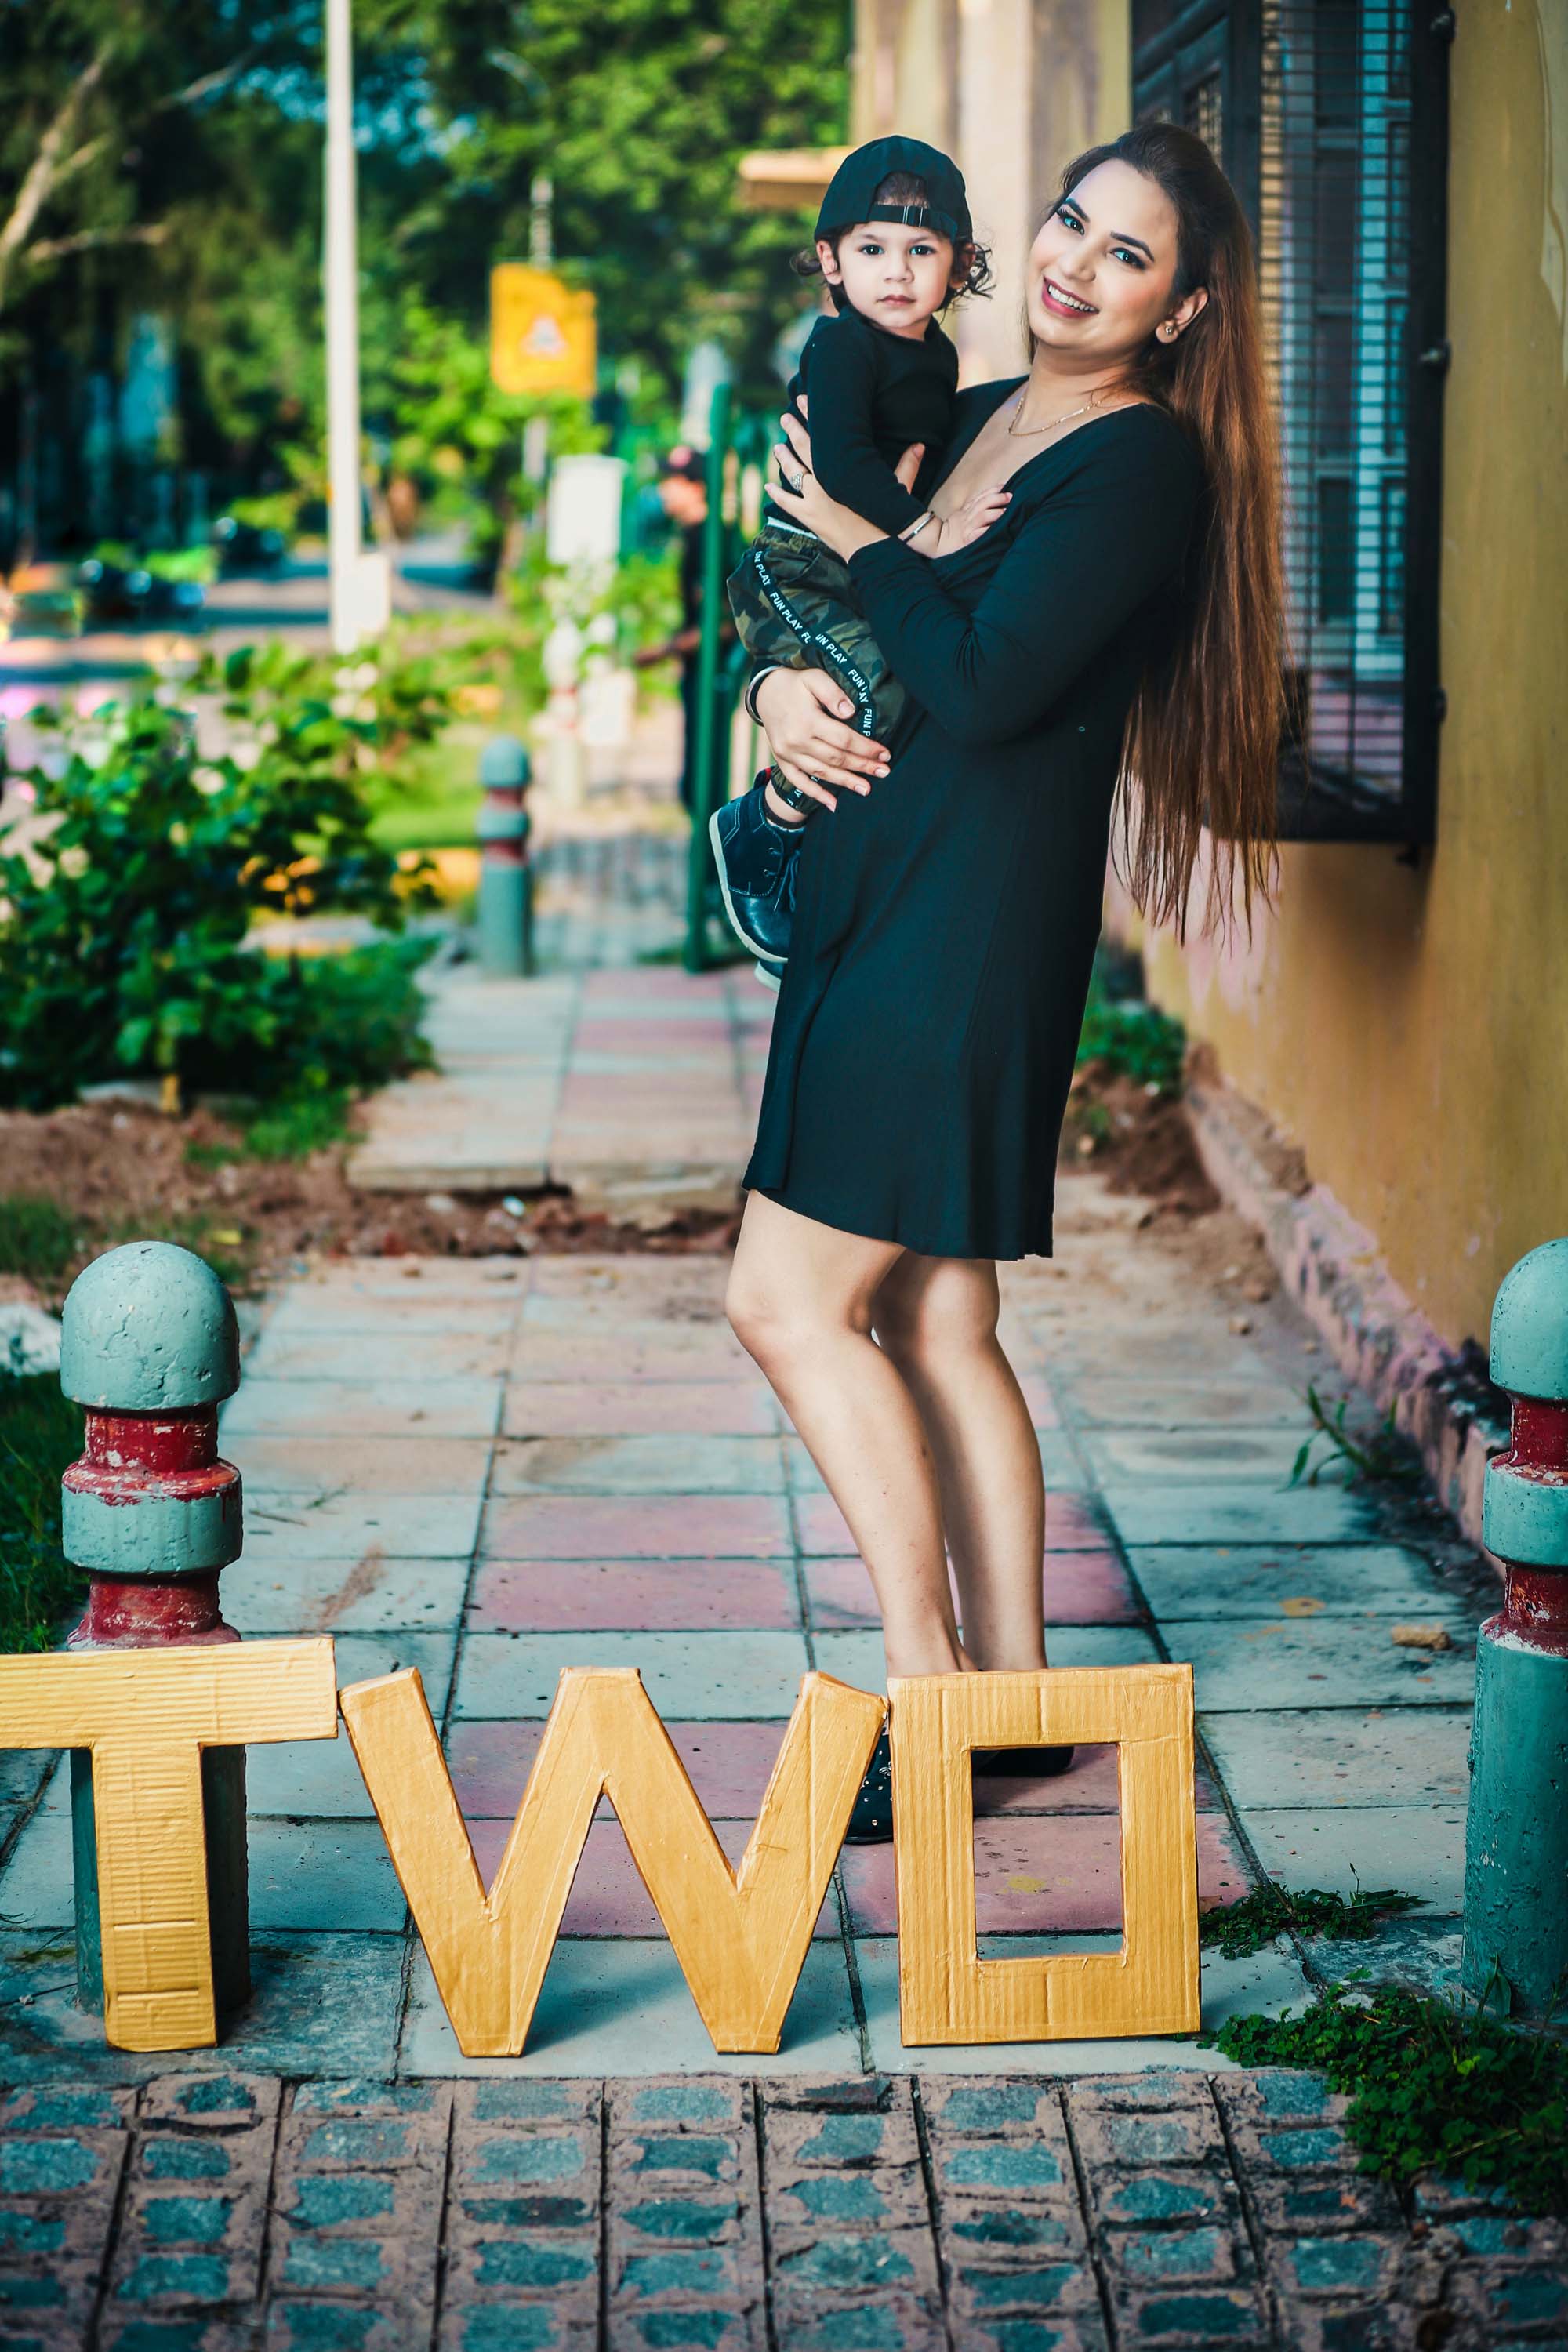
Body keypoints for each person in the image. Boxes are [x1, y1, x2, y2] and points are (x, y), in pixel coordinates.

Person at [724, 124, 1284, 1840]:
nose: (1073, 264)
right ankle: (1020, 1703)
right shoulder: (966, 412)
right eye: (1068, 223)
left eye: (1127, 256)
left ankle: (937, 1693)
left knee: (786, 1302)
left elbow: (978, 682)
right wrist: (771, 695)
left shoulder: (1139, 469)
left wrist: (862, 541)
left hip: (962, 932)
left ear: (1181, 310)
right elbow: (816, 605)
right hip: (877, 901)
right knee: (934, 1312)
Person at [713, 136, 1006, 981]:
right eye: (871, 249)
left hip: (857, 565)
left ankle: (812, 877)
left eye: (922, 251)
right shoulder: (841, 346)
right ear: (832, 262)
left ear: (959, 267)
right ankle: (764, 826)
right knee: (872, 695)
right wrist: (926, 534)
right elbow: (839, 468)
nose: (896, 272)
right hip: (801, 565)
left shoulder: (938, 357)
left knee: (894, 696)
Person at [634, 446, 715, 813]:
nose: (664, 489)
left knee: (703, 777)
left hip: (712, 673)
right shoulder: (692, 535)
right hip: (696, 668)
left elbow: (724, 623)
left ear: (697, 487)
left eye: (674, 480)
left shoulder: (710, 540)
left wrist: (664, 651)